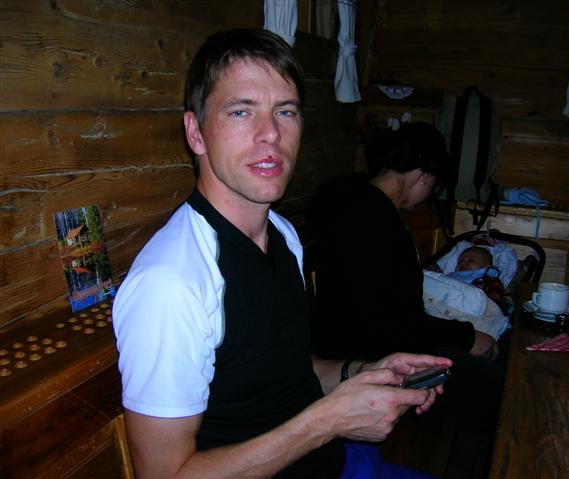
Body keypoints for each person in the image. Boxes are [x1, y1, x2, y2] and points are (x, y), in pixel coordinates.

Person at [113, 28, 453, 479]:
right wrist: (329, 420)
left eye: (285, 111)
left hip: (335, 464)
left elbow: (286, 371)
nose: (271, 133)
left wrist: (362, 373)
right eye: (241, 111)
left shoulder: (282, 233)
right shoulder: (170, 284)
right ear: (196, 133)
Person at [309, 122, 499, 362]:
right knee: (488, 366)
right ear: (425, 177)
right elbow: (392, 323)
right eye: (434, 187)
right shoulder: (376, 221)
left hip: (354, 339)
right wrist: (466, 337)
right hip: (366, 354)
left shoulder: (349, 199)